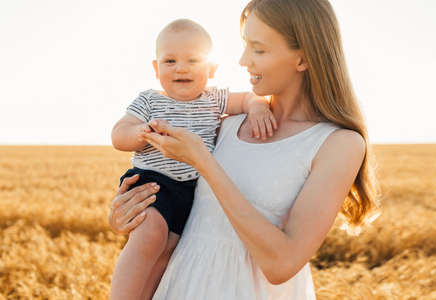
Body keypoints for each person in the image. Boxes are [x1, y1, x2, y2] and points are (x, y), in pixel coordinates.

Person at [108, 0, 379, 299]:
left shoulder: (337, 143)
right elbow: (184, 210)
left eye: (258, 49)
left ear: (302, 59)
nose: (242, 61)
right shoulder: (224, 123)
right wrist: (127, 216)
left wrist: (202, 160)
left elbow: (282, 264)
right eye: (244, 45)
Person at [109, 19, 277, 300]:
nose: (181, 68)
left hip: (190, 191)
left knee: (167, 252)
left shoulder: (214, 99)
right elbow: (118, 135)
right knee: (150, 235)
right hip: (154, 184)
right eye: (170, 60)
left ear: (211, 69)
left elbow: (248, 98)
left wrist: (258, 108)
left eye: (193, 60)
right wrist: (140, 132)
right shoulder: (150, 101)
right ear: (156, 68)